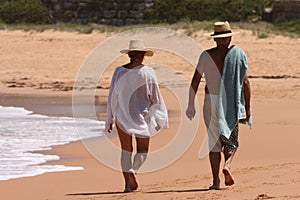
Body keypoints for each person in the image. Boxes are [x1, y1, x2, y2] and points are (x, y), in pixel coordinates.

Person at [186, 21, 251, 190]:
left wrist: (190, 105)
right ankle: (227, 165)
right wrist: (247, 109)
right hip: (229, 102)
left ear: (215, 39)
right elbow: (246, 83)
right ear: (229, 37)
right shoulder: (237, 55)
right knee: (231, 138)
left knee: (213, 141)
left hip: (210, 100)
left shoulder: (206, 55)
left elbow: (195, 81)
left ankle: (215, 181)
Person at [105, 39, 168, 192]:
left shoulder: (118, 71)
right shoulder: (147, 72)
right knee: (142, 150)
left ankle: (127, 184)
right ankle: (134, 170)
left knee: (126, 150)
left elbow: (112, 96)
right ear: (143, 55)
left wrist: (109, 119)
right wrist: (160, 117)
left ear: (130, 54)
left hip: (121, 116)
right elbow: (155, 97)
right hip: (142, 117)